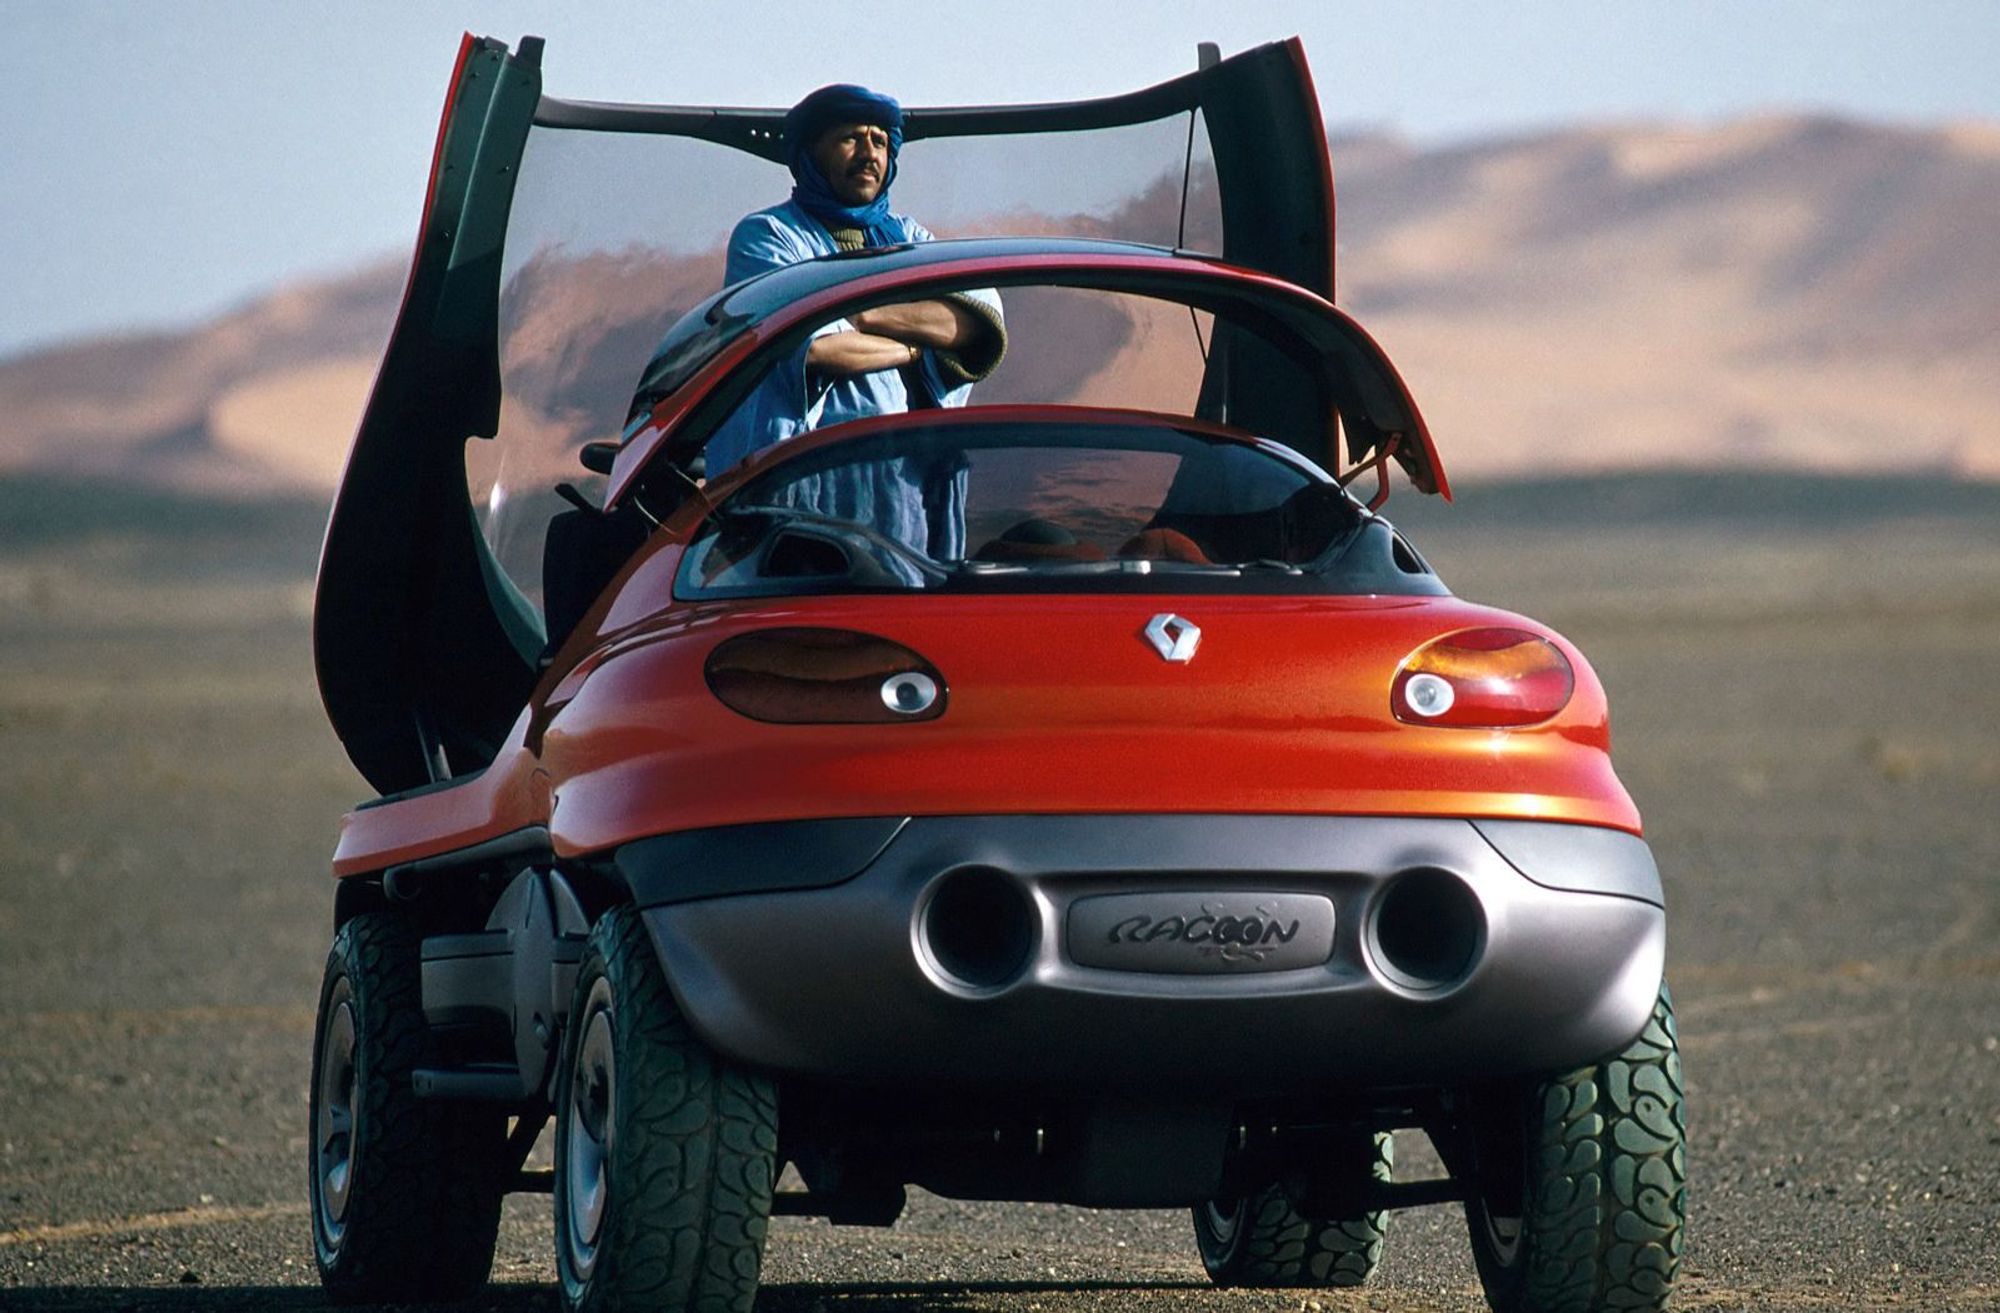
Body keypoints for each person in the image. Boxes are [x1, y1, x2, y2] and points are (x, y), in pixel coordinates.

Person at [705, 83, 1006, 481]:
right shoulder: (768, 235)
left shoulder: (911, 239)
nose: (869, 155)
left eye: (879, 142)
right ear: (811, 152)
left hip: (908, 480)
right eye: (850, 139)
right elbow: (821, 350)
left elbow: (976, 327)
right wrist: (922, 347)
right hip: (806, 478)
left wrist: (862, 312)